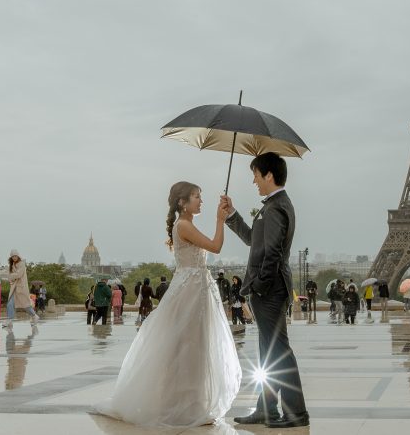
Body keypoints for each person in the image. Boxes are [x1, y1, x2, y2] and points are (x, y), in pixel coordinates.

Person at [94, 181, 240, 427]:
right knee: (190, 346)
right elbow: (215, 246)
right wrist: (219, 220)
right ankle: (184, 405)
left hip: (194, 288)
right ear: (182, 202)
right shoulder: (184, 225)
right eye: (197, 196)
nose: (201, 201)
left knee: (194, 346)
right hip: (192, 290)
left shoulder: (186, 224)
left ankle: (191, 403)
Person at [222, 152, 309, 428]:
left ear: (269, 175)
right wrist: (232, 215)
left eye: (256, 175)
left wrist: (258, 287)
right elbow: (254, 240)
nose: (254, 181)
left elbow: (271, 253)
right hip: (273, 289)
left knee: (278, 352)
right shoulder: (276, 205)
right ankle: (267, 409)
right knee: (269, 352)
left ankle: (295, 413)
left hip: (269, 291)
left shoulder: (275, 208)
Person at [5, 250, 39, 327]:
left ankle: (34, 316)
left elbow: (18, 274)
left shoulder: (22, 264)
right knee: (10, 303)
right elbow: (11, 277)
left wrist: (10, 276)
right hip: (14, 288)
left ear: (18, 256)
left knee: (26, 305)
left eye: (15, 256)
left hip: (21, 288)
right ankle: (9, 320)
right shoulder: (12, 265)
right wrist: (11, 277)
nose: (14, 258)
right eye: (13, 256)